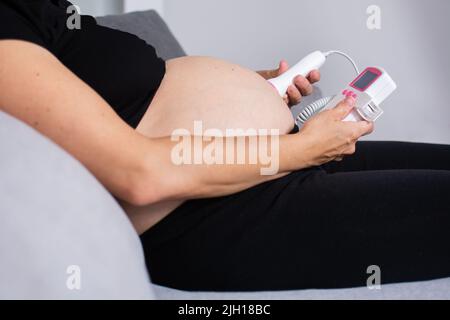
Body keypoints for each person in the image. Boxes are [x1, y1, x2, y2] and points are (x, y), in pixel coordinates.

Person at [1, 0, 449, 292]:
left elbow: (130, 99)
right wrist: (303, 150)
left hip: (271, 162)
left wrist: (254, 90)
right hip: (214, 211)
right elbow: (140, 173)